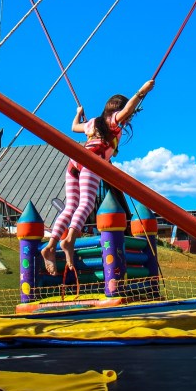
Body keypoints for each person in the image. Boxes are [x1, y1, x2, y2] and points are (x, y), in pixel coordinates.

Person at [41, 79, 155, 274]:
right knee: (86, 204)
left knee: (70, 207)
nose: (127, 120)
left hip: (75, 161)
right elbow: (127, 110)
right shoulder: (113, 121)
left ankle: (50, 246)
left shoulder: (92, 122)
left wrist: (78, 114)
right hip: (91, 161)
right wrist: (142, 91)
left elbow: (74, 127)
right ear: (116, 110)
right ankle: (69, 241)